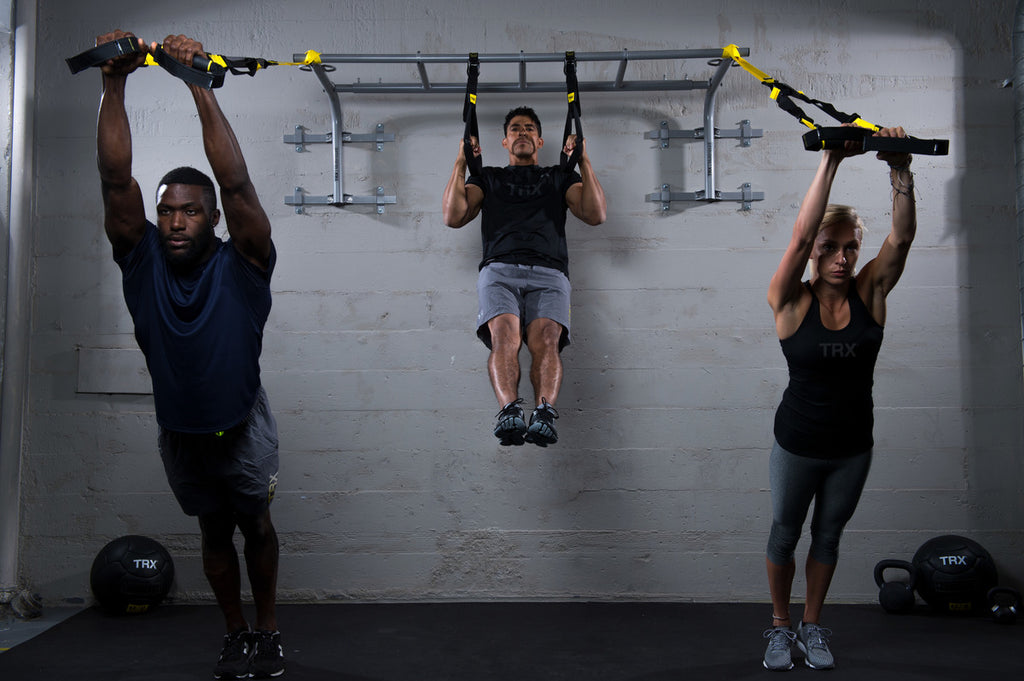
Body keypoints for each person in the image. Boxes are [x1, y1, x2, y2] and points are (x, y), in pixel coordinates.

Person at [95, 30, 284, 679]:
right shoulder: (139, 256)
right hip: (181, 433)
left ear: (213, 218)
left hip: (243, 426)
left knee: (255, 528)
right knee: (211, 534)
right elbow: (114, 177)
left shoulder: (245, 261)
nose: (176, 221)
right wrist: (113, 83)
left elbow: (236, 179)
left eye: (191, 211)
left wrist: (196, 83)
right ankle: (235, 634)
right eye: (167, 210)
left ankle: (269, 630)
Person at [762, 126, 916, 671]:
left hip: (853, 447)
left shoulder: (871, 292)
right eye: (831, 247)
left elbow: (899, 241)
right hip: (798, 444)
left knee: (828, 537)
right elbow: (800, 239)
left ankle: (812, 625)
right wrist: (830, 161)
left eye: (851, 247)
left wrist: (899, 169)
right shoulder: (789, 299)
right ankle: (780, 627)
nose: (843, 257)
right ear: (814, 254)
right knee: (785, 535)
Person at [442, 106, 607, 447]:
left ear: (540, 140)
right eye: (515, 129)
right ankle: (509, 411)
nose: (522, 133)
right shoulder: (487, 178)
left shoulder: (560, 177)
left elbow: (595, 214)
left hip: (550, 273)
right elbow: (453, 217)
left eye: (529, 129)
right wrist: (460, 162)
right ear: (504, 141)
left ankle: (544, 412)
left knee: (546, 340)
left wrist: (584, 161)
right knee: (505, 336)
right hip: (499, 270)